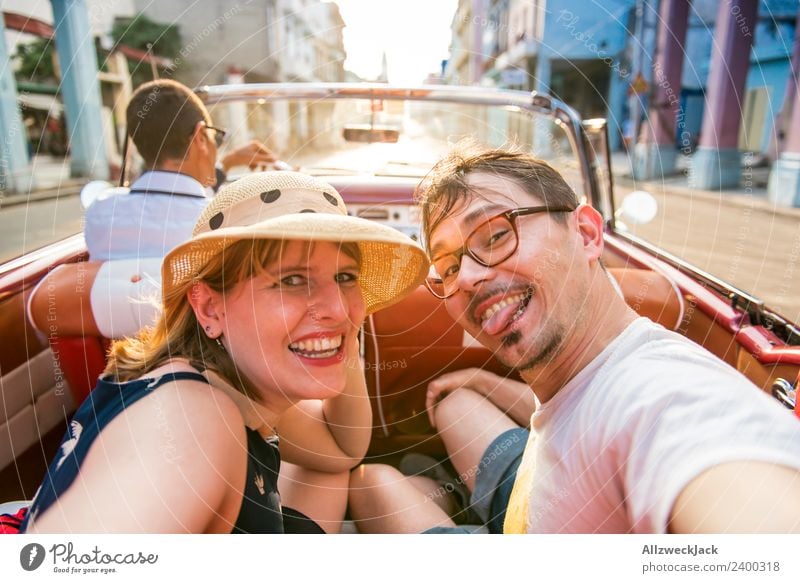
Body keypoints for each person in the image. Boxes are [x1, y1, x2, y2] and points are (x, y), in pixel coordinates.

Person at [349, 144, 800, 534]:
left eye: (496, 234)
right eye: (447, 267)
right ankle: (446, 495)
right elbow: (579, 411)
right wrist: (479, 381)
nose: (466, 277)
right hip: (542, 491)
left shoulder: (666, 398)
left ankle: (443, 499)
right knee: (454, 402)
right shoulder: (597, 369)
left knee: (370, 481)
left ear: (586, 233)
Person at [21, 171, 428, 533]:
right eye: (290, 280)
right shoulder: (192, 420)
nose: (338, 305)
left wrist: (341, 334)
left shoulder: (234, 384)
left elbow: (343, 452)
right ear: (210, 307)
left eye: (345, 277)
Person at [84, 79, 277, 262]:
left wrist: (227, 163)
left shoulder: (101, 212)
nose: (215, 148)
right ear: (200, 137)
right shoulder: (226, 222)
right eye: (214, 136)